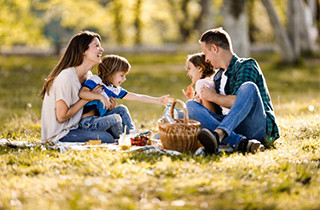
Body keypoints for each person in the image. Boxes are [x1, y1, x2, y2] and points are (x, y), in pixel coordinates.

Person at [186, 27, 280, 154]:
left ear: (214, 48)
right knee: (190, 106)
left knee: (249, 87)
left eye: (205, 53)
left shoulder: (246, 65)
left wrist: (212, 96)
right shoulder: (218, 77)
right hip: (234, 129)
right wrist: (201, 103)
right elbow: (214, 113)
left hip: (256, 126)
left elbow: (237, 101)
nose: (206, 59)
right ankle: (241, 142)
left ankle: (221, 134)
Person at [41, 31, 119, 143]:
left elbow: (88, 112)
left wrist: (107, 105)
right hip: (62, 134)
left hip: (79, 126)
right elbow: (62, 116)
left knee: (120, 111)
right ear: (83, 51)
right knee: (108, 138)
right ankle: (122, 138)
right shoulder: (66, 78)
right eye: (96, 46)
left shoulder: (89, 76)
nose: (101, 50)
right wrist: (88, 97)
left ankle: (131, 138)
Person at [78, 54, 173, 135]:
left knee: (122, 109)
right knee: (116, 118)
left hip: (101, 119)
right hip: (88, 122)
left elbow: (136, 97)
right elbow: (82, 93)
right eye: (122, 75)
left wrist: (158, 100)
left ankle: (132, 133)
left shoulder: (113, 89)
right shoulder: (96, 80)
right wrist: (100, 97)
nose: (124, 79)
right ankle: (126, 137)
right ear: (110, 73)